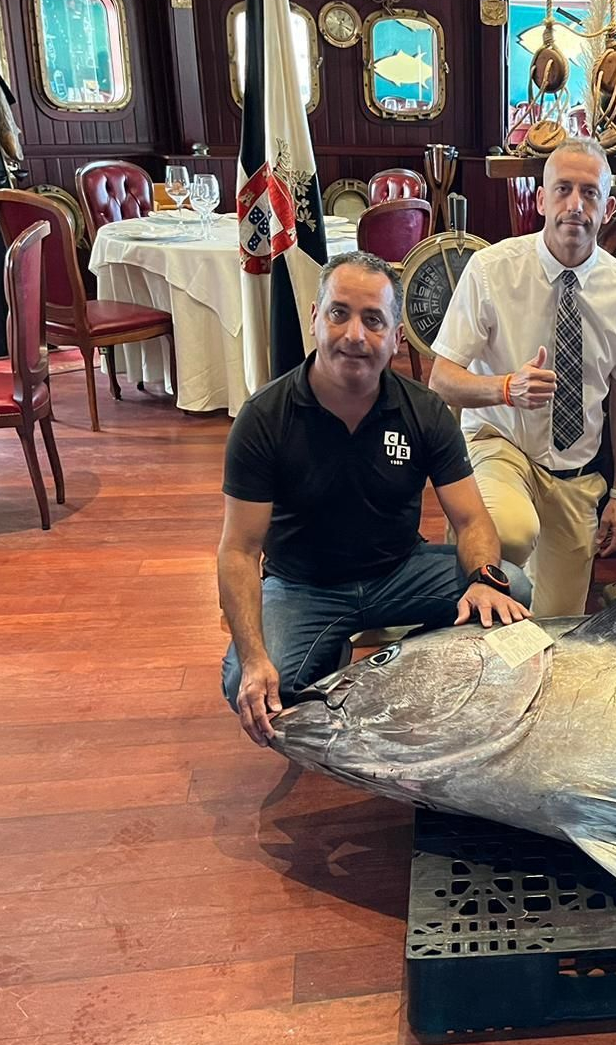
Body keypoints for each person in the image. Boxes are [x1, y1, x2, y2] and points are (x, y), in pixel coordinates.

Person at [218, 251, 532, 745]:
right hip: (303, 585)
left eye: (374, 320)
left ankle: (396, 673)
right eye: (339, 313)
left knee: (512, 590)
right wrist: (256, 658)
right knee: (248, 684)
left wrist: (484, 579)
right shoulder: (263, 418)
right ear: (315, 318)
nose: (355, 336)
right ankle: (331, 660)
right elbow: (238, 550)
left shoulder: (425, 412)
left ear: (396, 337)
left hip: (398, 572)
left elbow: (472, 520)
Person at [428, 138, 616, 617]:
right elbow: (442, 378)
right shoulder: (492, 270)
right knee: (510, 532)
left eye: (590, 193)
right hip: (501, 445)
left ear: (608, 207)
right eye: (563, 190)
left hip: (575, 474)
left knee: (558, 625)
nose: (575, 205)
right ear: (540, 199)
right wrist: (504, 388)